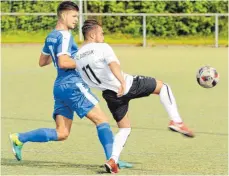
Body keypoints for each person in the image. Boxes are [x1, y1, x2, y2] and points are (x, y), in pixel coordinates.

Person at [9, 2, 130, 173]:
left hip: (60, 87)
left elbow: (42, 61)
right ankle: (113, 160)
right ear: (64, 15)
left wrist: (61, 55)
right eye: (74, 16)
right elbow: (64, 62)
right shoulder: (65, 36)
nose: (76, 21)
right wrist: (84, 61)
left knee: (62, 133)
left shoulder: (51, 36)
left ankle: (19, 138)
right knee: (102, 120)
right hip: (73, 85)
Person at [74, 19, 195, 173]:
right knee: (163, 87)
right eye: (101, 33)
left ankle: (113, 160)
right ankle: (177, 121)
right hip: (127, 85)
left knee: (124, 129)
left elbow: (87, 79)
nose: (103, 36)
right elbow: (113, 64)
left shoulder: (77, 57)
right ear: (92, 35)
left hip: (110, 95)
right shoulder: (102, 47)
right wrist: (122, 82)